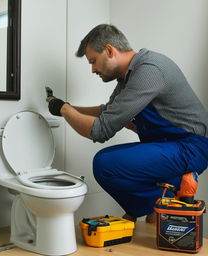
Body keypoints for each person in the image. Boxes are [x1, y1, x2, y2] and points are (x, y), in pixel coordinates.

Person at [46, 24, 208, 223]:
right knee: (152, 221)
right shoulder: (128, 76)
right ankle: (157, 203)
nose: (92, 69)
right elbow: (108, 110)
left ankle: (165, 194)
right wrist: (70, 108)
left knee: (105, 164)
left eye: (93, 61)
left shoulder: (149, 70)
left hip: (190, 147)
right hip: (169, 145)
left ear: (109, 50)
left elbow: (100, 130)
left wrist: (63, 109)